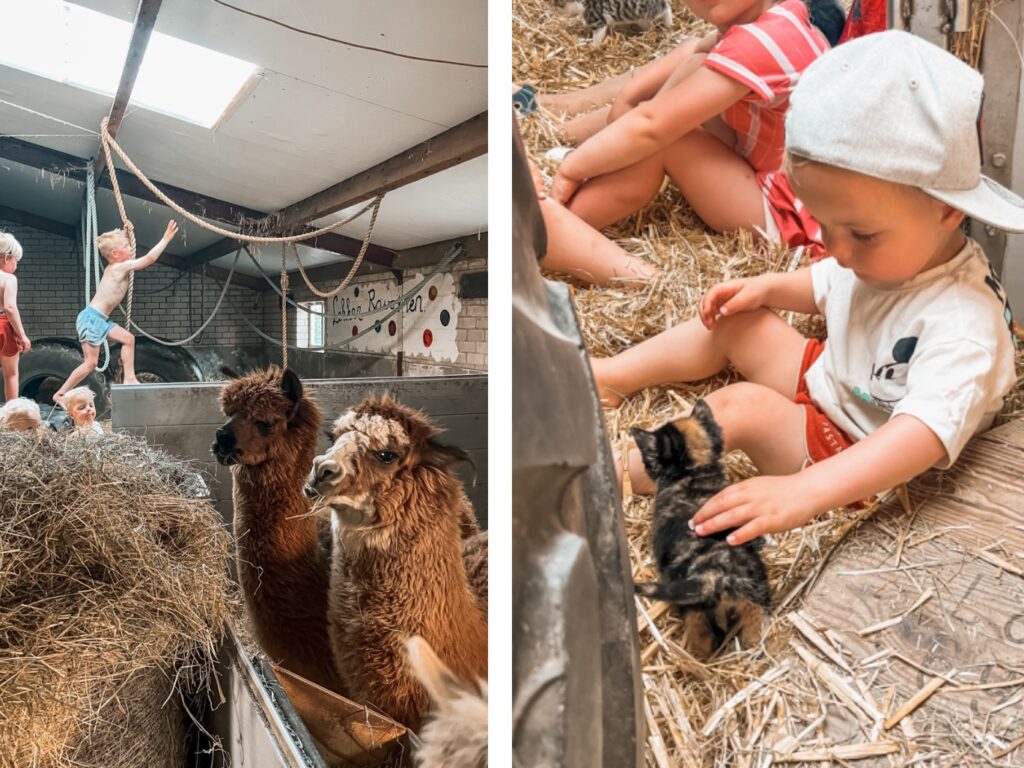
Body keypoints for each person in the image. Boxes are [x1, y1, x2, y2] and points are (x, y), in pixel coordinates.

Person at [596, 31, 1022, 546]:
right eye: (823, 224)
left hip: (860, 449)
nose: (836, 248)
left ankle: (610, 476)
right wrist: (769, 287)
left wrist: (806, 491)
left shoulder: (963, 324)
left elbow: (923, 436)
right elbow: (828, 283)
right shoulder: (892, 253)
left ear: (947, 210)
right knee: (740, 320)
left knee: (741, 408)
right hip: (842, 378)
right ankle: (610, 378)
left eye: (860, 234)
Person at [539, 0, 832, 283]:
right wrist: (630, 98)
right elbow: (694, 55)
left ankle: (558, 225)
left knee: (666, 141)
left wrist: (572, 168)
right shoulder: (783, 16)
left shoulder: (761, 41)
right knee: (694, 70)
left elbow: (650, 125)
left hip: (790, 221)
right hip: (793, 191)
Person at [53, 221, 178, 404]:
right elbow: (149, 259)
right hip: (91, 319)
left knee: (129, 339)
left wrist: (126, 232)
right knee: (90, 364)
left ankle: (129, 378)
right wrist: (166, 238)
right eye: (127, 246)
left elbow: (126, 249)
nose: (131, 248)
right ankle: (61, 393)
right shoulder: (119, 267)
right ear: (115, 254)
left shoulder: (118, 265)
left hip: (100, 320)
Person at [0, 232, 30, 401]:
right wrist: (22, 335)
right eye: (16, 262)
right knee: (10, 374)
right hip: (3, 325)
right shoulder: (9, 279)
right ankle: (13, 418)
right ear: (7, 258)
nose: (16, 266)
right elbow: (10, 307)